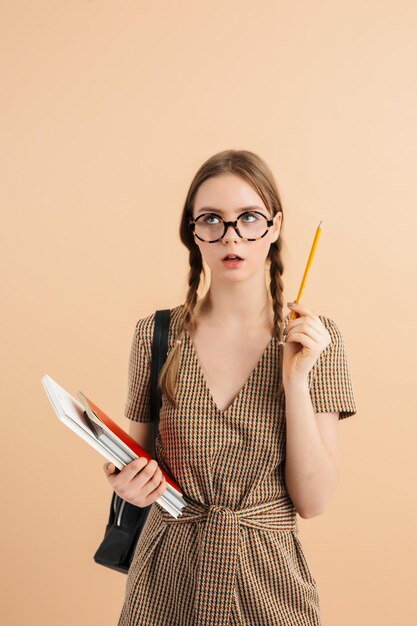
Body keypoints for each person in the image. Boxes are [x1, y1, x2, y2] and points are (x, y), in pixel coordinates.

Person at [104, 149, 357, 625]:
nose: (231, 236)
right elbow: (134, 460)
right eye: (212, 220)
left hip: (268, 588)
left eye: (249, 218)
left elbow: (314, 501)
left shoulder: (317, 341)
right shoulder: (155, 335)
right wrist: (127, 485)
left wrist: (296, 381)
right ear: (193, 231)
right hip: (164, 584)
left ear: (275, 227)